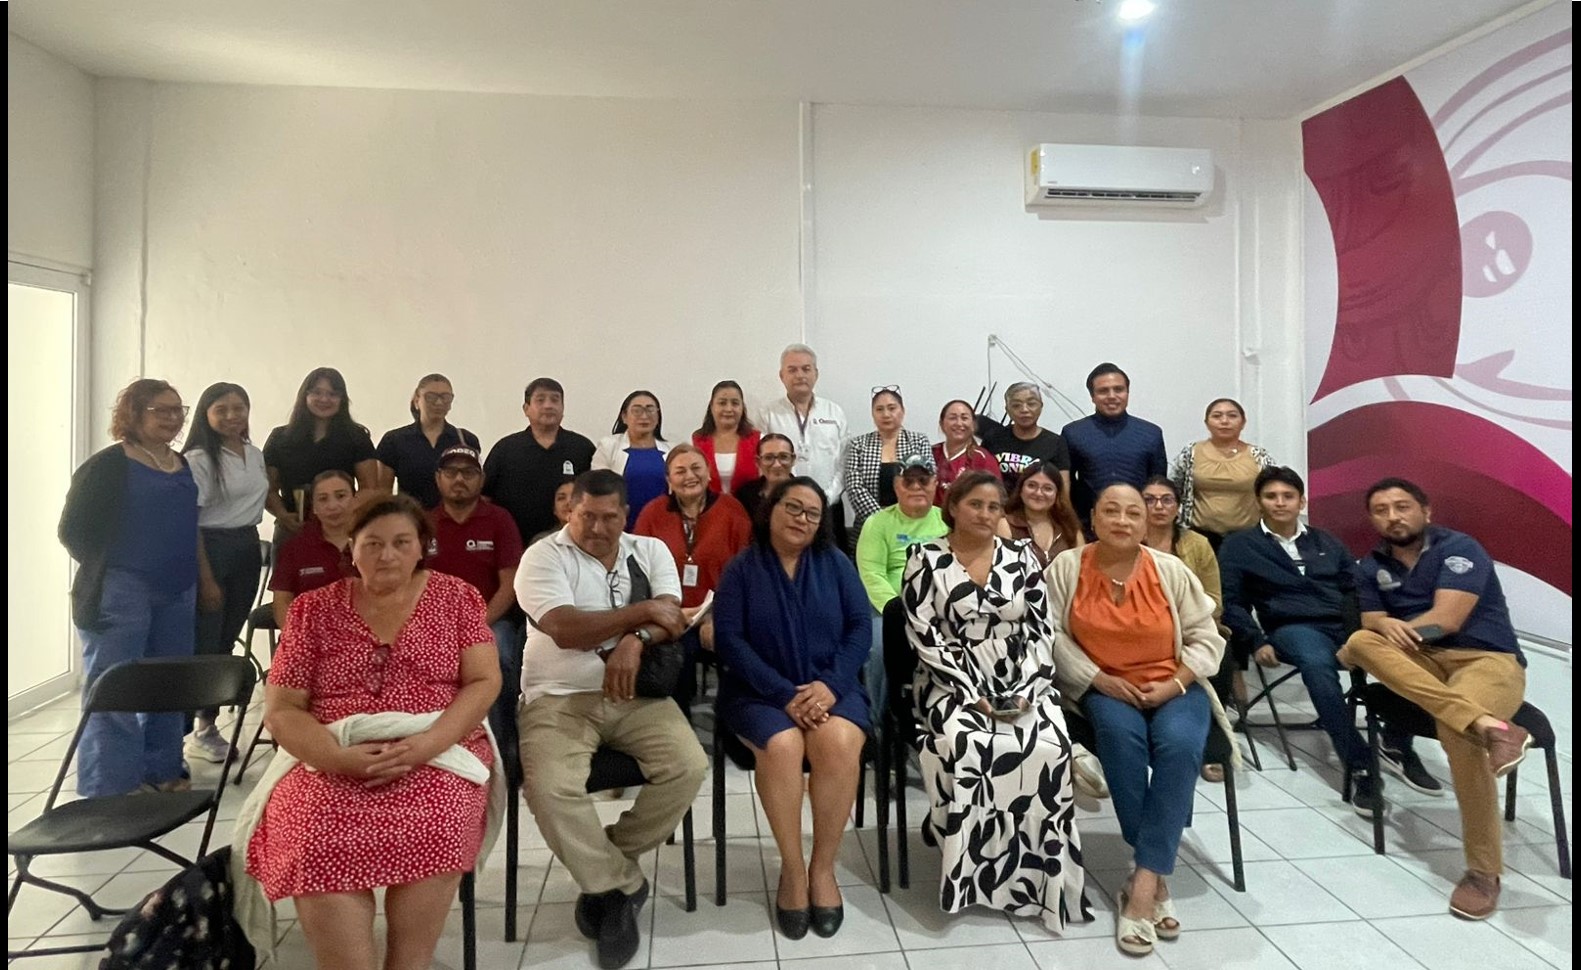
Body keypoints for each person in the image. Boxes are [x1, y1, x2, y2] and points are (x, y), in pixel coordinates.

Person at [242, 495, 501, 970]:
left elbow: (484, 681)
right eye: (373, 544)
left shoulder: (456, 597)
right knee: (311, 835)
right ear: (352, 548)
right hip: (331, 751)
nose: (387, 555)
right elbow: (283, 709)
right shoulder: (312, 610)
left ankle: (410, 963)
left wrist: (424, 746)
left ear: (422, 546)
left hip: (434, 746)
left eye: (402, 543)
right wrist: (338, 758)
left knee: (440, 825)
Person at [515, 470, 707, 970]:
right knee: (550, 790)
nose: (597, 528)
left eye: (608, 518)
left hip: (636, 696)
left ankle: (605, 869)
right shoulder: (543, 556)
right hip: (557, 698)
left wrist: (633, 642)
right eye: (586, 517)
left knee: (688, 767)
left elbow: (672, 619)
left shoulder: (650, 550)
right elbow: (565, 628)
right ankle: (622, 883)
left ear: (625, 515)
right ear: (569, 511)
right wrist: (642, 614)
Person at [901, 472, 1089, 934]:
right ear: (953, 506)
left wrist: (1026, 689)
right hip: (949, 682)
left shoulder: (1022, 557)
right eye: (975, 505)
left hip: (1023, 680)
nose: (986, 514)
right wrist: (972, 693)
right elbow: (924, 638)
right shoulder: (923, 559)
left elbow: (1041, 629)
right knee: (969, 744)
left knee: (1048, 749)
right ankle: (973, 874)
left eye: (994, 506)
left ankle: (1034, 881)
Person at [1047, 483, 1230, 957]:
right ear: (1093, 517)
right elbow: (1050, 635)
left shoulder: (1170, 570)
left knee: (1180, 746)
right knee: (1118, 737)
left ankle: (1144, 881)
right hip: (1105, 686)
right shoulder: (1066, 567)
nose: (1122, 521)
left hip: (1175, 684)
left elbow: (1206, 637)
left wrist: (1176, 683)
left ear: (1147, 523)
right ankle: (1155, 875)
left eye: (1134, 513)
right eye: (1111, 511)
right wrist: (1097, 678)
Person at [1338, 478, 1530, 920]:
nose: (1392, 517)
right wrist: (1373, 633)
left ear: (1426, 511)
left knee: (1456, 731)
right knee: (1362, 642)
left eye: (1402, 506)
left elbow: (1446, 619)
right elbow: (1370, 621)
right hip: (1422, 662)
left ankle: (1483, 872)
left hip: (1485, 659)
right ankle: (1492, 726)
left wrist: (1392, 633)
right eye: (1381, 510)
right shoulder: (1370, 565)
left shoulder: (1459, 549)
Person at [713, 477, 870, 941]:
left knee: (837, 741)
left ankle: (822, 869)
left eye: (813, 513)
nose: (802, 519)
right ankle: (793, 869)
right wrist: (784, 694)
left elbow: (860, 628)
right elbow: (730, 641)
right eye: (794, 507)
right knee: (782, 745)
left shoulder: (836, 563)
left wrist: (830, 686)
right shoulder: (742, 568)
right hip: (758, 691)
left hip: (831, 688)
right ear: (772, 509)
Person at [58, 378, 199, 798]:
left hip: (176, 588)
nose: (172, 418)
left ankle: (162, 769)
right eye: (161, 410)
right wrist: (113, 564)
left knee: (169, 683)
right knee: (114, 687)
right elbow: (72, 530)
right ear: (134, 413)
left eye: (177, 410)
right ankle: (110, 787)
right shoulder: (108, 465)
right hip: (121, 588)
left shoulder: (180, 463)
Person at [1217, 467, 1386, 813]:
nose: (1280, 503)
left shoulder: (1326, 541)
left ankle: (1399, 740)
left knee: (1406, 652)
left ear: (1301, 501)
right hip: (1293, 628)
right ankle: (1361, 765)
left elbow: (1354, 589)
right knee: (1317, 663)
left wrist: (1359, 634)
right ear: (1259, 502)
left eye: (1288, 496)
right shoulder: (1240, 545)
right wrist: (1255, 640)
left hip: (1344, 625)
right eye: (1271, 496)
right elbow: (1232, 603)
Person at [182, 381, 269, 765]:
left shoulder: (254, 454)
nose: (233, 416)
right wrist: (206, 579)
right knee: (205, 641)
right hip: (211, 550)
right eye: (222, 409)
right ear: (206, 414)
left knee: (226, 638)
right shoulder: (199, 459)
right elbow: (192, 523)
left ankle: (208, 723)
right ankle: (191, 730)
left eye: (240, 408)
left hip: (247, 547)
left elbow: (261, 499)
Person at [633, 444, 753, 715]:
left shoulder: (732, 510)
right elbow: (637, 570)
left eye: (696, 468)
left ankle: (731, 726)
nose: (690, 476)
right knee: (676, 653)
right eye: (680, 471)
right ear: (669, 480)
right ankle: (678, 724)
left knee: (736, 647)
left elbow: (745, 573)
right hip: (668, 615)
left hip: (719, 612)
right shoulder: (652, 513)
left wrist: (714, 616)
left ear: (709, 473)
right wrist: (665, 613)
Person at [425, 445, 526, 751]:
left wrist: (474, 625)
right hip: (433, 624)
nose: (459, 479)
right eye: (451, 472)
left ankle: (503, 750)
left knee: (502, 657)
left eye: (468, 472)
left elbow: (509, 585)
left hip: (491, 620)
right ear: (438, 479)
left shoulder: (499, 520)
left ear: (481, 479)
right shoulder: (423, 523)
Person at [1140, 476, 1230, 784]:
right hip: (1142, 628)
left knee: (1222, 655)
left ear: (1178, 507)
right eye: (1149, 500)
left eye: (1166, 500)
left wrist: (1186, 619)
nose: (1158, 506)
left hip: (1193, 625)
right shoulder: (1126, 540)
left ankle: (1211, 746)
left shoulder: (1197, 544)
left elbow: (1215, 599)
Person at [854, 455, 947, 726]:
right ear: (897, 486)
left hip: (941, 608)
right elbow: (872, 575)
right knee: (879, 651)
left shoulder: (948, 521)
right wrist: (901, 612)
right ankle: (877, 724)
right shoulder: (877, 523)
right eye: (909, 481)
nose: (916, 487)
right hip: (888, 610)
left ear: (935, 483)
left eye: (923, 480)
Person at [262, 367, 379, 549]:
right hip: (292, 529)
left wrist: (346, 515)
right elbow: (267, 488)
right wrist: (282, 515)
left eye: (333, 394)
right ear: (305, 395)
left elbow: (369, 487)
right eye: (317, 392)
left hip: (343, 530)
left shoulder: (357, 437)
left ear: (342, 399)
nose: (324, 399)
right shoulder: (280, 438)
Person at [484, 377, 596, 545]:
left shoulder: (582, 447)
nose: (548, 405)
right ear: (526, 409)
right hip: (513, 543)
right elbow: (485, 497)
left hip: (572, 544)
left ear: (562, 408)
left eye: (555, 400)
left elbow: (595, 497)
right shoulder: (505, 449)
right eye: (540, 400)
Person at [759, 344, 851, 549]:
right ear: (782, 375)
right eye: (792, 370)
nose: (800, 375)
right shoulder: (768, 414)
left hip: (829, 507)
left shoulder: (834, 412)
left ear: (816, 374)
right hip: (786, 509)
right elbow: (765, 463)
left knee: (829, 562)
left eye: (806, 369)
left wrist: (827, 497)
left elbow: (844, 461)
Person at [1060, 364, 1167, 525]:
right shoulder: (1073, 433)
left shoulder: (1151, 434)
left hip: (1139, 524)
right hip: (1088, 525)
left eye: (1118, 389)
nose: (1112, 396)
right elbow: (1065, 486)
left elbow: (1158, 486)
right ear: (1092, 396)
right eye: (1103, 391)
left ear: (1127, 393)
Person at [1169, 398, 1275, 549]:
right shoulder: (1191, 453)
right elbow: (1172, 489)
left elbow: (1272, 492)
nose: (1224, 421)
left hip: (1247, 538)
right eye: (1217, 416)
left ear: (1243, 422)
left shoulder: (1259, 456)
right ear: (1207, 422)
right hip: (1198, 537)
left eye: (1232, 416)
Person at [840, 386, 933, 550]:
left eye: (892, 408)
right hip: (870, 527)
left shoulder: (919, 441)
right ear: (872, 414)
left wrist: (903, 521)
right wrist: (884, 522)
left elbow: (928, 480)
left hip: (913, 527)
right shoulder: (858, 445)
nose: (886, 414)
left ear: (902, 411)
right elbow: (854, 488)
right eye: (879, 409)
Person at [375, 373, 481, 509]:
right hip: (412, 517)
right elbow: (383, 495)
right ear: (417, 400)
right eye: (431, 397)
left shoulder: (466, 440)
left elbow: (474, 485)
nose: (439, 402)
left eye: (445, 397)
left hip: (455, 517)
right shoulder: (394, 440)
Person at [269, 470, 358, 629]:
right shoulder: (295, 547)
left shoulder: (375, 544)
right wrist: (297, 637)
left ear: (355, 500)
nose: (332, 506)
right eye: (323, 499)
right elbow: (282, 602)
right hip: (308, 635)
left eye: (341, 496)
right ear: (314, 507)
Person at [593, 390, 672, 531]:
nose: (644, 416)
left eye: (650, 409)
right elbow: (598, 487)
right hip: (620, 526)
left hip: (662, 524)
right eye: (637, 410)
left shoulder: (672, 450)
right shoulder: (608, 446)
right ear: (624, 416)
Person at [975, 382, 1072, 486]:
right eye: (1016, 405)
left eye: (1031, 404)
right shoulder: (993, 438)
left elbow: (1063, 485)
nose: (1024, 410)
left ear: (1040, 406)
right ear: (1007, 410)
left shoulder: (1056, 443)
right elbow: (979, 476)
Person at [996, 460, 1084, 569]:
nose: (1038, 493)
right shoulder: (1005, 525)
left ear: (1057, 494)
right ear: (1021, 490)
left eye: (1048, 488)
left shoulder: (1070, 529)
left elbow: (1082, 570)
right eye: (1031, 485)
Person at [691, 379, 761, 495]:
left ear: (742, 408)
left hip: (749, 505)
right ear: (712, 406)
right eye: (722, 403)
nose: (729, 409)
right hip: (709, 505)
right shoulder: (697, 441)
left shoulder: (758, 440)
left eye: (735, 403)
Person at [931, 398, 1002, 506]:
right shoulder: (930, 452)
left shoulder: (982, 459)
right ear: (942, 424)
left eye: (964, 418)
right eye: (952, 418)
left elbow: (995, 497)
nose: (959, 423)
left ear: (973, 424)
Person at [735, 433, 796, 522]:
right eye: (768, 458)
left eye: (783, 457)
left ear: (793, 459)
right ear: (758, 462)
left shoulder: (806, 494)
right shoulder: (745, 495)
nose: (777, 465)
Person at [530, 476, 577, 544]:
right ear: (554, 509)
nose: (569, 502)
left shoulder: (593, 537)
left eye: (575, 497)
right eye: (561, 498)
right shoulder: (543, 541)